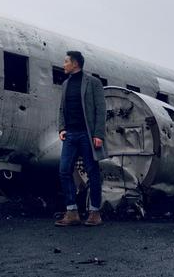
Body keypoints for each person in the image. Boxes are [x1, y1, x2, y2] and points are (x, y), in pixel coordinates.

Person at [55, 50, 107, 227]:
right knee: (64, 170)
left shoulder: (93, 83)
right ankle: (72, 212)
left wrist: (98, 134)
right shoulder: (65, 84)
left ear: (75, 63)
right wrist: (62, 128)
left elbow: (101, 110)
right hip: (70, 134)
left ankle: (94, 212)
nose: (63, 65)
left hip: (87, 134)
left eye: (66, 61)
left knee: (92, 172)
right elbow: (62, 109)